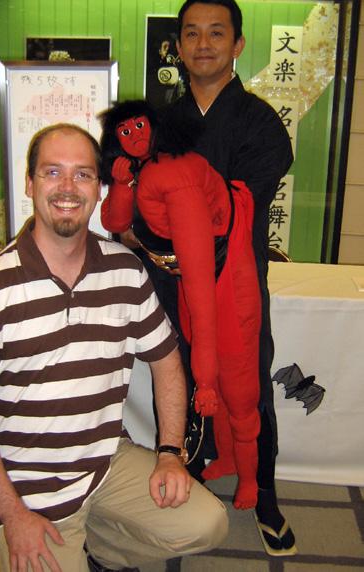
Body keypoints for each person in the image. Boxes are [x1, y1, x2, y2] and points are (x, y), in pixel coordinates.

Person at [0, 123, 228, 572]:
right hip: (24, 487)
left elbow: (166, 360)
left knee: (208, 524)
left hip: (104, 462)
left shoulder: (125, 272)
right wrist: (12, 515)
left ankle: (97, 547)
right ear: (30, 184)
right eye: (52, 172)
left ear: (99, 188)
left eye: (83, 174)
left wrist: (170, 453)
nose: (68, 187)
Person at [170, 0, 296, 557]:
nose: (203, 44)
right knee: (179, 380)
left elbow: (235, 206)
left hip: (237, 284)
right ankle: (191, 470)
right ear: (178, 47)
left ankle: (263, 492)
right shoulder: (163, 123)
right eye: (192, 34)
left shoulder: (261, 123)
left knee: (250, 387)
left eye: (216, 33)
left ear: (237, 44)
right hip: (173, 282)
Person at [99, 99, 262, 510]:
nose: (134, 136)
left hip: (223, 284)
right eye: (124, 131)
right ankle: (228, 459)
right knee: (218, 376)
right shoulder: (147, 171)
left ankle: (251, 480)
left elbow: (202, 279)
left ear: (157, 127)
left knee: (237, 385)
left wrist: (202, 381)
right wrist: (120, 183)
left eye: (140, 126)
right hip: (194, 280)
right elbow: (115, 223)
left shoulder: (175, 175)